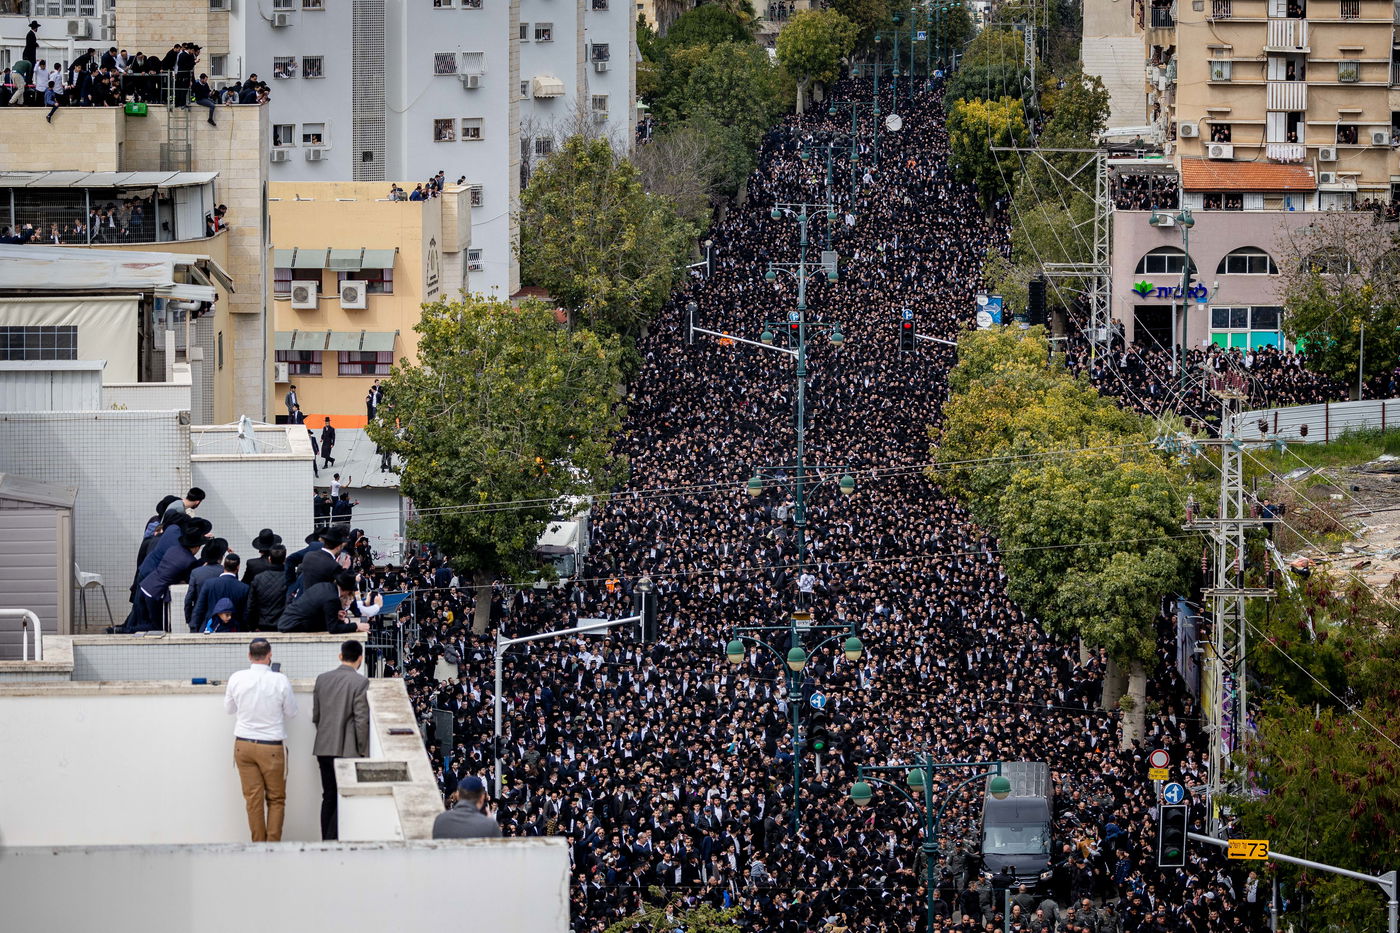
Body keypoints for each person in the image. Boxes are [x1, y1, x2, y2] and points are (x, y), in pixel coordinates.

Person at [224, 637, 298, 842]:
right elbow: (291, 712)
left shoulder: (236, 678)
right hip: (271, 746)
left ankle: (258, 844)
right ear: (270, 655)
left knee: (253, 800)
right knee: (276, 799)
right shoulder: (280, 680)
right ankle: (272, 846)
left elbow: (229, 709)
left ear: (249, 656)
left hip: (243, 745)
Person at [311, 639, 370, 840]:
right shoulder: (360, 682)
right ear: (360, 659)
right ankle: (332, 838)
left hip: (323, 746)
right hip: (347, 749)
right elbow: (361, 719)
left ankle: (325, 839)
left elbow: (316, 716)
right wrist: (363, 749)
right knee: (342, 796)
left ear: (340, 656)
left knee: (328, 796)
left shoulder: (322, 679)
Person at [278, 571, 370, 634]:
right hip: (293, 625)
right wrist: (356, 626)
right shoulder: (333, 598)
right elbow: (333, 629)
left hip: (287, 621)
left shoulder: (325, 586)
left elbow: (315, 609)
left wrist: (335, 616)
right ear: (346, 590)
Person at [193, 552, 250, 632]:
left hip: (211, 628)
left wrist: (194, 628)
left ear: (223, 566)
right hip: (233, 630)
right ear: (238, 567)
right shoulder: (244, 588)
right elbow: (245, 614)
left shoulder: (209, 584)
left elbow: (199, 608)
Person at [432, 775, 501, 839]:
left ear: (458, 795)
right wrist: (490, 822)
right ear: (482, 797)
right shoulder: (490, 826)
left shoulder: (440, 820)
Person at [246, 545, 288, 631]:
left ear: (270, 559)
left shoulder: (258, 578)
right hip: (283, 624)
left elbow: (251, 605)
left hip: (262, 624)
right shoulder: (290, 578)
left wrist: (253, 626)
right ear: (284, 560)